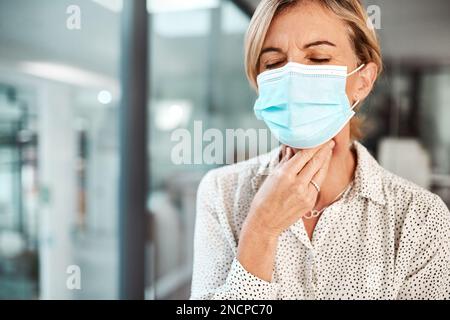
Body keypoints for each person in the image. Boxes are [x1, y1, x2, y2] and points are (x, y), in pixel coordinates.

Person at [190, 0, 450, 299]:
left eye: (318, 58)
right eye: (274, 63)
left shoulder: (420, 216)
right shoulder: (222, 192)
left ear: (363, 81)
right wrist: (260, 230)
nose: (294, 79)